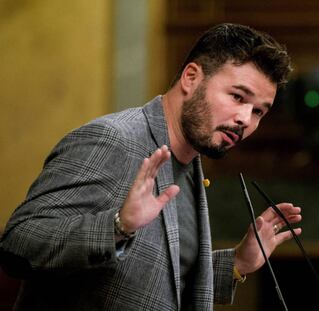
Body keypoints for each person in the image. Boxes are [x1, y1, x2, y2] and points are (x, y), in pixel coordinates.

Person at [0, 23, 302, 310]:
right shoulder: (113, 140)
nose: (245, 119)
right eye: (237, 96)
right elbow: (18, 244)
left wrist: (237, 263)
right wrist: (118, 226)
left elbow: (160, 277)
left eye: (259, 111)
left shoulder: (190, 161)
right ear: (191, 77)